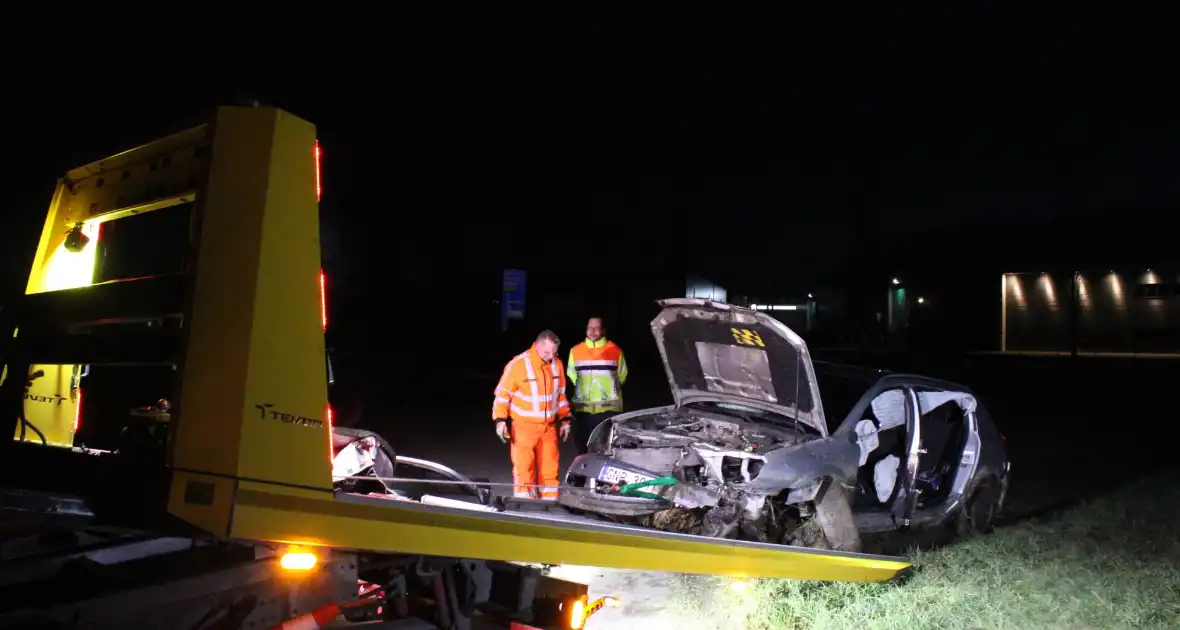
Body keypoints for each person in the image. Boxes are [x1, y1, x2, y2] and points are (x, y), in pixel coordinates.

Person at [492, 330, 572, 499]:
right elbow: (502, 395)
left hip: (548, 427)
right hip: (523, 428)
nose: (551, 356)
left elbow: (561, 395)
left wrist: (565, 419)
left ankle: (549, 503)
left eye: (554, 352)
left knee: (550, 470)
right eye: (546, 352)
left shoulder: (557, 364)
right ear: (536, 346)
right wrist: (500, 420)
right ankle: (525, 506)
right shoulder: (518, 364)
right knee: (523, 469)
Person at [566, 317, 628, 454]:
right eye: (590, 327)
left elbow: (622, 377)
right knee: (582, 450)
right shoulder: (575, 351)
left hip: (608, 412)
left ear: (604, 330)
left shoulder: (615, 350)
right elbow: (572, 377)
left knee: (605, 452)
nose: (592, 331)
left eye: (596, 328)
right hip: (583, 412)